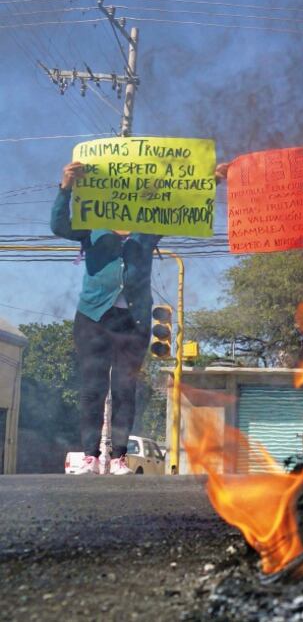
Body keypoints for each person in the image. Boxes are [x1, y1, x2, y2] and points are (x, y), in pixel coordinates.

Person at [54, 160, 227, 474]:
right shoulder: (91, 223)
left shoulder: (148, 229)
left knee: (124, 388)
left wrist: (210, 181)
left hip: (133, 321)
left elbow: (182, 211)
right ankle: (91, 456)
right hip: (93, 317)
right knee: (93, 387)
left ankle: (119, 456)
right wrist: (65, 187)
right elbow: (58, 226)